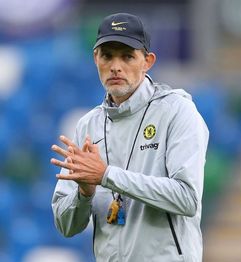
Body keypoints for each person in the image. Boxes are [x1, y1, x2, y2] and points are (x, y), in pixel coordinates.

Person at [51, 13, 209, 261]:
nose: (116, 66)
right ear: (96, 59)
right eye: (107, 56)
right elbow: (66, 226)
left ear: (147, 61)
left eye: (127, 56)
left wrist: (107, 176)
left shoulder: (178, 111)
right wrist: (84, 194)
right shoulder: (87, 125)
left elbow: (187, 198)